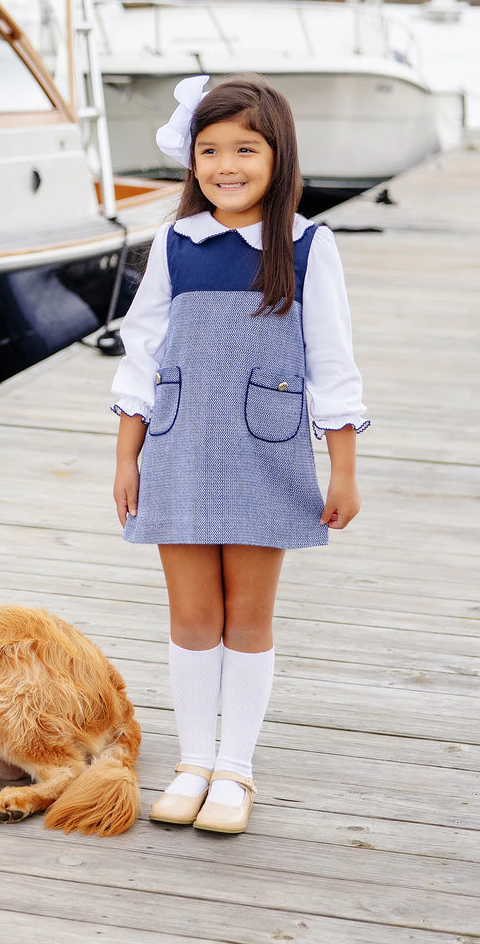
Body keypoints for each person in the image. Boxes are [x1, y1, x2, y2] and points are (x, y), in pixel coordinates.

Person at [111, 73, 366, 835]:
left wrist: (344, 468)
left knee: (247, 614)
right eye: (210, 149)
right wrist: (127, 457)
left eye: (245, 149)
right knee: (192, 614)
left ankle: (236, 769)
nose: (227, 165)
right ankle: (194, 761)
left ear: (277, 155)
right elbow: (141, 352)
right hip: (179, 444)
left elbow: (333, 362)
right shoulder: (174, 244)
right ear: (191, 160)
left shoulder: (308, 246)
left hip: (266, 447)